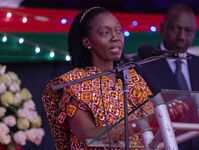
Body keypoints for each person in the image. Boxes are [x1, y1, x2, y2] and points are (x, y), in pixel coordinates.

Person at [42, 7, 187, 150]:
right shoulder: (74, 84)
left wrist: (166, 118)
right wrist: (144, 122)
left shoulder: (133, 79)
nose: (115, 37)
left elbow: (151, 132)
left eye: (118, 30)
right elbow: (89, 137)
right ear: (87, 43)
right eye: (105, 32)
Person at [133, 3, 199, 150]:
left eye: (188, 30)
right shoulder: (139, 66)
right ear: (162, 28)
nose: (182, 36)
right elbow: (139, 121)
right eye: (175, 29)